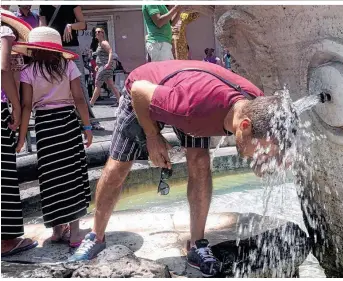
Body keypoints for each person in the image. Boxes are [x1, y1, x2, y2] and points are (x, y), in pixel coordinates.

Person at [69, 60, 297, 276]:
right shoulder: (192, 109)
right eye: (264, 152)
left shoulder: (258, 107)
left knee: (200, 161)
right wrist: (152, 136)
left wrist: (278, 157)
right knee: (119, 165)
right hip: (143, 93)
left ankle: (197, 245)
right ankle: (95, 237)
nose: (263, 157)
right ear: (244, 127)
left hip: (191, 87)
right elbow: (139, 90)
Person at [14, 26, 93, 248]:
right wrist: (87, 127)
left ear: (35, 49)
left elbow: (27, 105)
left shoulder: (28, 72)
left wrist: (21, 138)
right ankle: (75, 232)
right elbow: (79, 98)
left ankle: (58, 230)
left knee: (52, 175)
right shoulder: (68, 66)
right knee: (71, 174)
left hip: (45, 126)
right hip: (67, 123)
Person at [1, 8, 38, 257]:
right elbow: (3, 69)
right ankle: (7, 240)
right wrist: (14, 103)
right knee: (3, 173)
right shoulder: (3, 32)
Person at [39, 5, 104, 130]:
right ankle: (67, 119)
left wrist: (71, 26)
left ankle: (90, 119)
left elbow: (83, 24)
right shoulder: (44, 5)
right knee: (57, 83)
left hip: (72, 47)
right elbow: (42, 27)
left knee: (79, 84)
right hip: (53, 49)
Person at [89, 27, 121, 107]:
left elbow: (110, 52)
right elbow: (100, 56)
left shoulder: (104, 43)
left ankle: (91, 103)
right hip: (102, 66)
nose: (97, 33)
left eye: (99, 31)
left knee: (97, 84)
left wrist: (108, 63)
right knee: (111, 84)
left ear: (103, 33)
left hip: (104, 67)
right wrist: (97, 65)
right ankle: (120, 101)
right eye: (96, 32)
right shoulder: (100, 44)